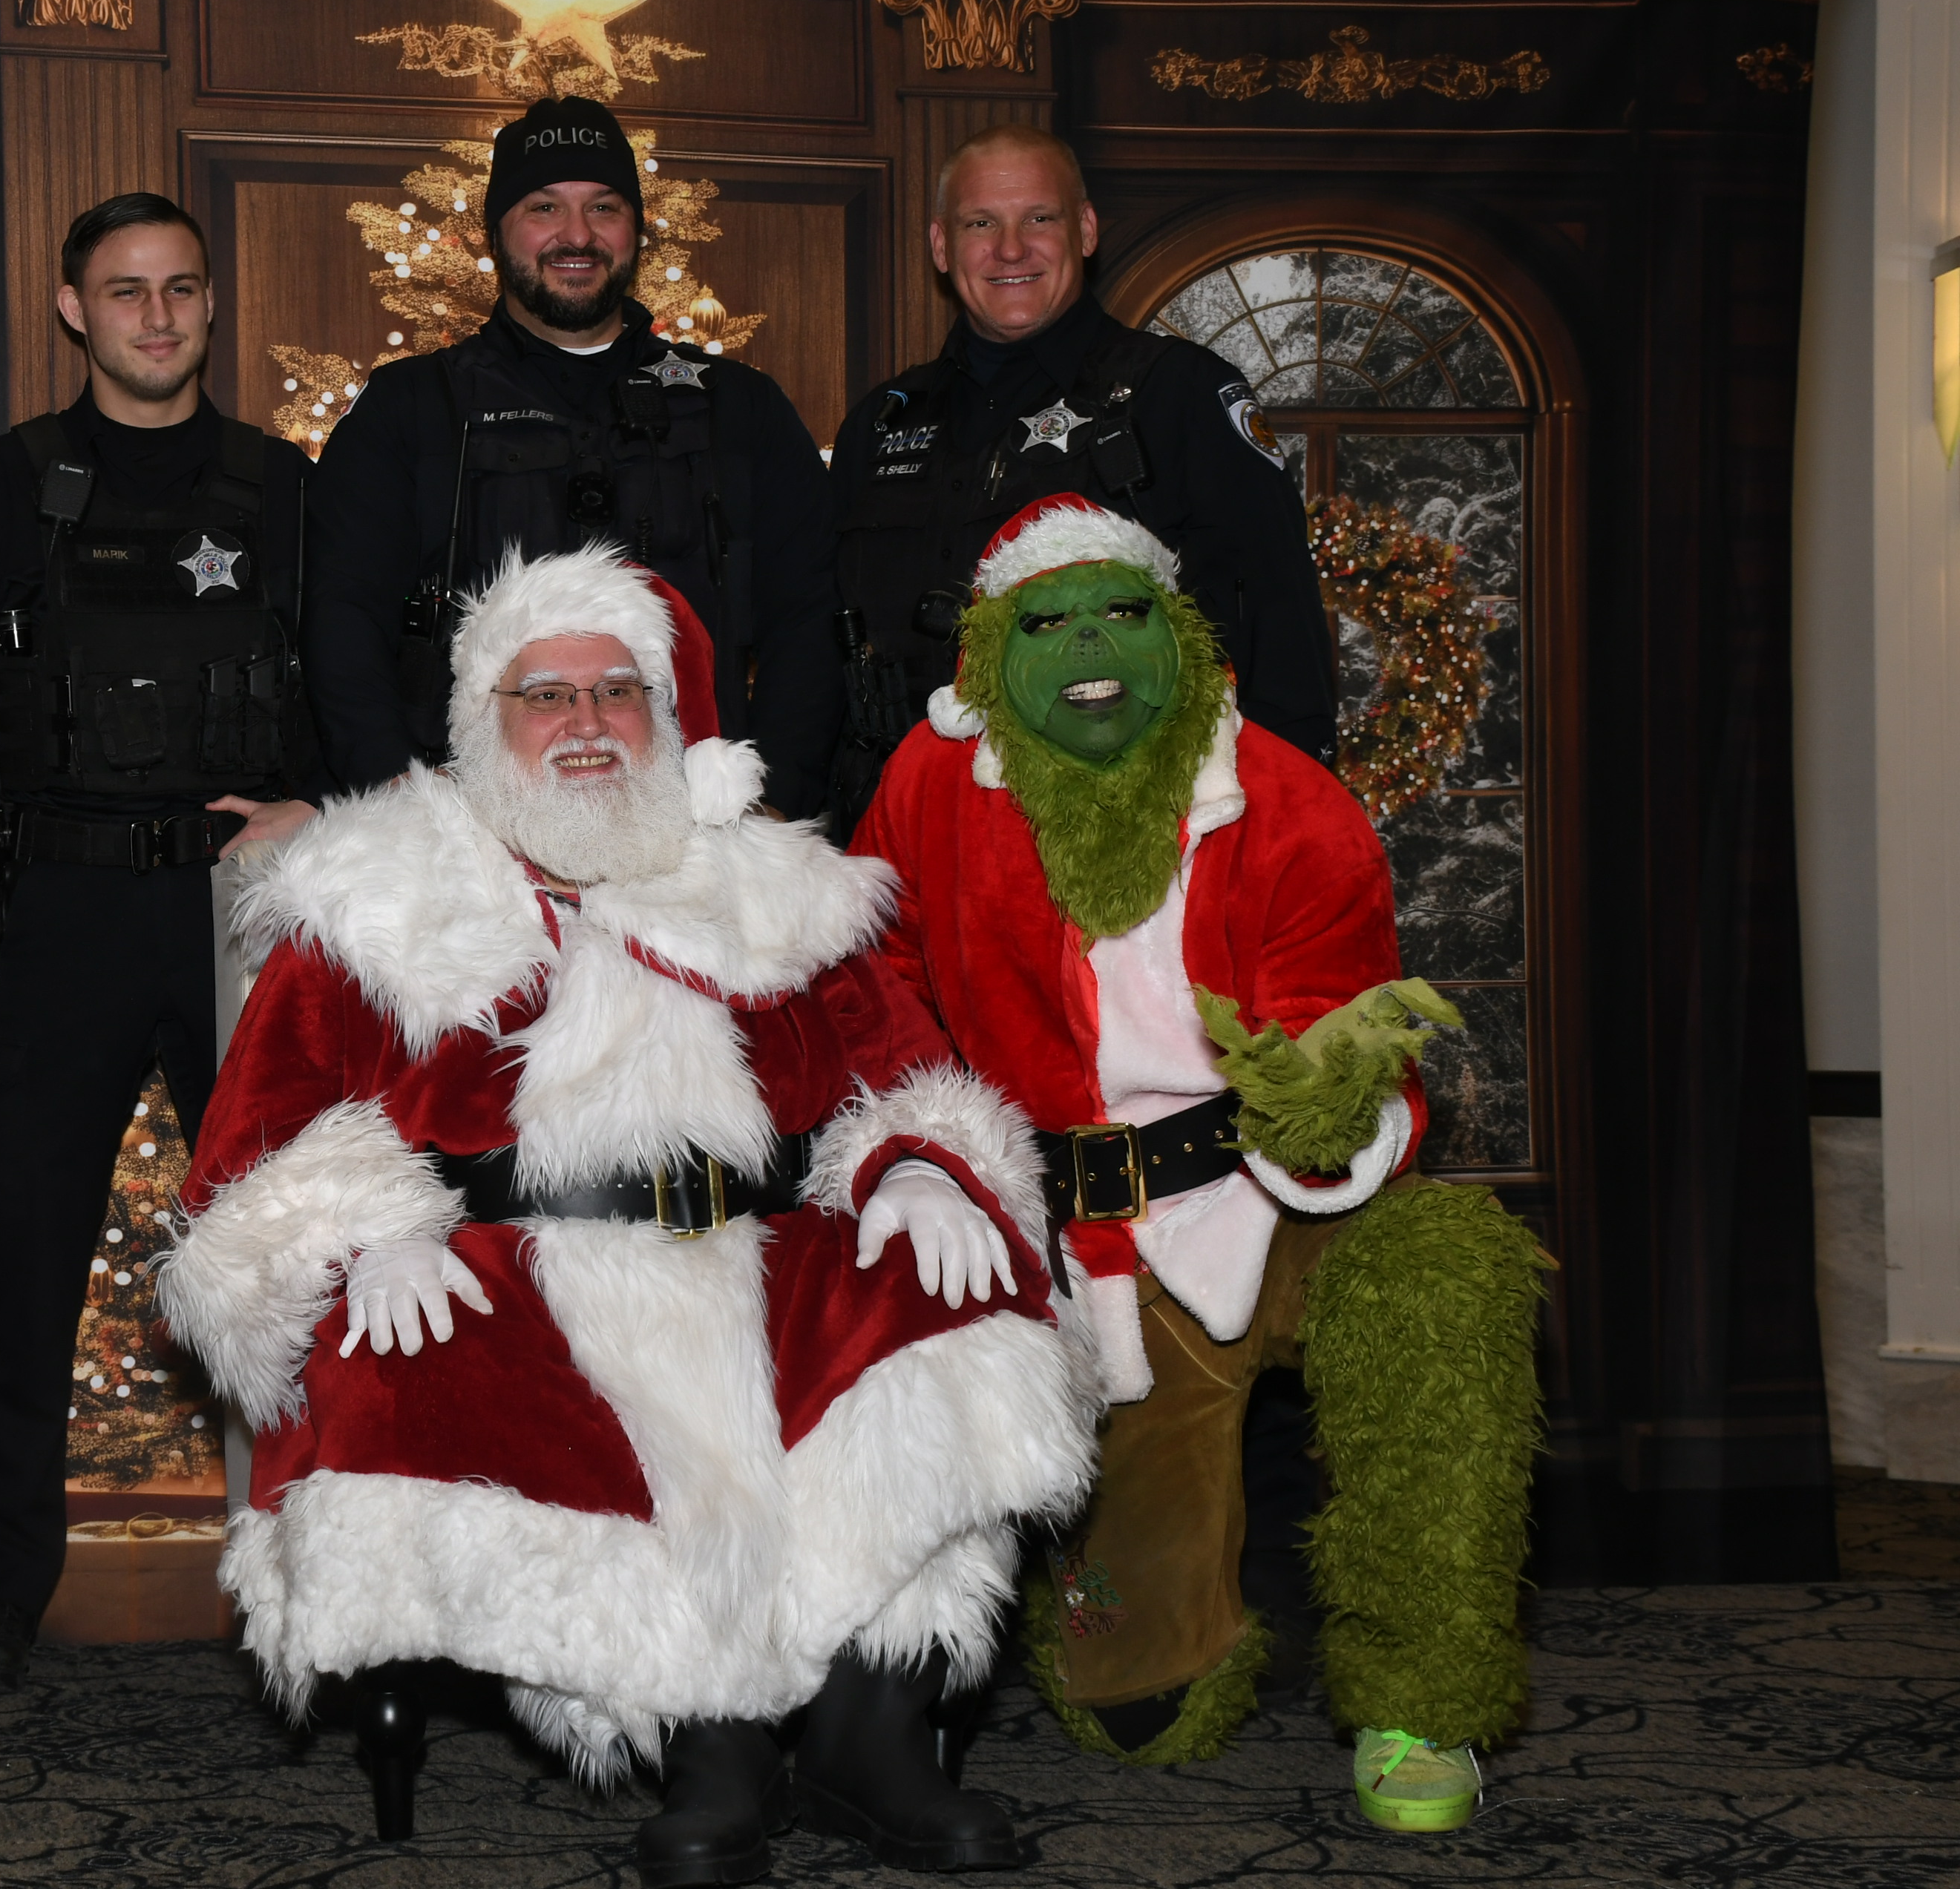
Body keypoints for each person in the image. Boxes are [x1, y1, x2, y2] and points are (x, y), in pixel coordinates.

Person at [160, 543, 1101, 1886]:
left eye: (618, 691)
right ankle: (710, 1739)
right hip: (508, 1270)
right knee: (471, 1370)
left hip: (772, 1249)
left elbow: (910, 1072)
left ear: (669, 718)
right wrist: (363, 1228)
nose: (587, 722)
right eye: (547, 695)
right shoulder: (374, 895)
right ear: (483, 720)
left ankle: (870, 1727)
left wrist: (915, 1165)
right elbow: (254, 1139)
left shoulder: (777, 887)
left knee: (959, 1280)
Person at [850, 495, 1547, 1831]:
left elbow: (1349, 1018)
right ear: (985, 664)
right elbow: (871, 978)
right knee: (1138, 1710)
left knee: (1443, 1280)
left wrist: (1328, 1106)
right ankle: (1136, 1623)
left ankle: (1424, 1693)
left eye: (1123, 613)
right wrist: (924, 1150)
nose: (1089, 644)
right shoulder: (931, 785)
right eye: (1048, 622)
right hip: (1086, 1244)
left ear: (1183, 638)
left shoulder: (1289, 798)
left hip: (1267, 1199)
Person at [0, 192, 321, 1695]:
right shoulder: (9, 482)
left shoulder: (282, 486)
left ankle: (317, 1586)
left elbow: (344, 684)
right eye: (127, 290)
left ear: (210, 305)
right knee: (29, 1262)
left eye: (181, 289)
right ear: (75, 309)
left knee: (282, 1255)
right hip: (60, 911)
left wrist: (321, 803)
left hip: (236, 912)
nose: (158, 316)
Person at [301, 93, 845, 817]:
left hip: (699, 827)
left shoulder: (739, 408)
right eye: (545, 208)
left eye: (604, 207)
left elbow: (808, 619)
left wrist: (773, 801)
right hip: (468, 834)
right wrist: (398, 801)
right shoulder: (410, 410)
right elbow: (342, 619)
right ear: (498, 231)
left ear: (636, 229)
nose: (577, 235)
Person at [822, 125, 1337, 837]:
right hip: (904, 831)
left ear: (1086, 230)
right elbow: (824, 645)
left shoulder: (1176, 395)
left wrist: (1281, 827)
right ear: (942, 246)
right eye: (981, 224)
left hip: (1121, 836)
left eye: (1039, 217)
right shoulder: (882, 424)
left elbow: (1280, 635)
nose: (1011, 249)